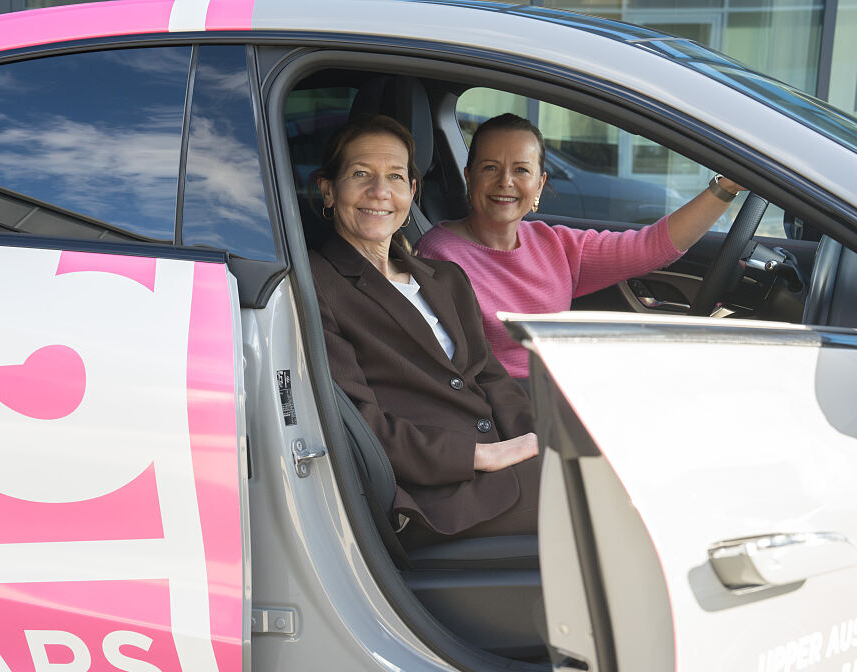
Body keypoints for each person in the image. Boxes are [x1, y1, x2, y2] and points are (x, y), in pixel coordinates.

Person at [310, 114, 538, 543]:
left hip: (497, 464)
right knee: (615, 499)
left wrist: (536, 437)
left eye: (395, 176)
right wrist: (478, 456)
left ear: (412, 191)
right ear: (328, 188)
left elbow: (489, 375)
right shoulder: (317, 284)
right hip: (433, 494)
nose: (380, 192)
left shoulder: (445, 278)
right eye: (361, 174)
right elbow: (359, 423)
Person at [416, 112, 746, 379]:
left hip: (556, 394)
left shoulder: (554, 244)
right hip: (498, 412)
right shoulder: (438, 254)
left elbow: (653, 245)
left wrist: (726, 188)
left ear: (539, 185)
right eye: (490, 168)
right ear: (469, 176)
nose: (506, 181)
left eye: (521, 170)